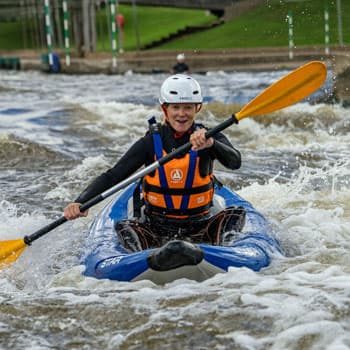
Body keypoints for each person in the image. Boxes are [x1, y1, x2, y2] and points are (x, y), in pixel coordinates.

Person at [64, 74, 245, 252]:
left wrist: (212, 144)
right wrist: (80, 202)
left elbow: (235, 162)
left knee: (236, 213)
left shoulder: (209, 136)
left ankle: (220, 252)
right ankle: (145, 258)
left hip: (201, 223)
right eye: (175, 107)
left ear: (197, 108)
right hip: (156, 226)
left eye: (188, 107)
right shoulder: (151, 141)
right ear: (165, 109)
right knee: (124, 227)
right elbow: (115, 174)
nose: (181, 114)